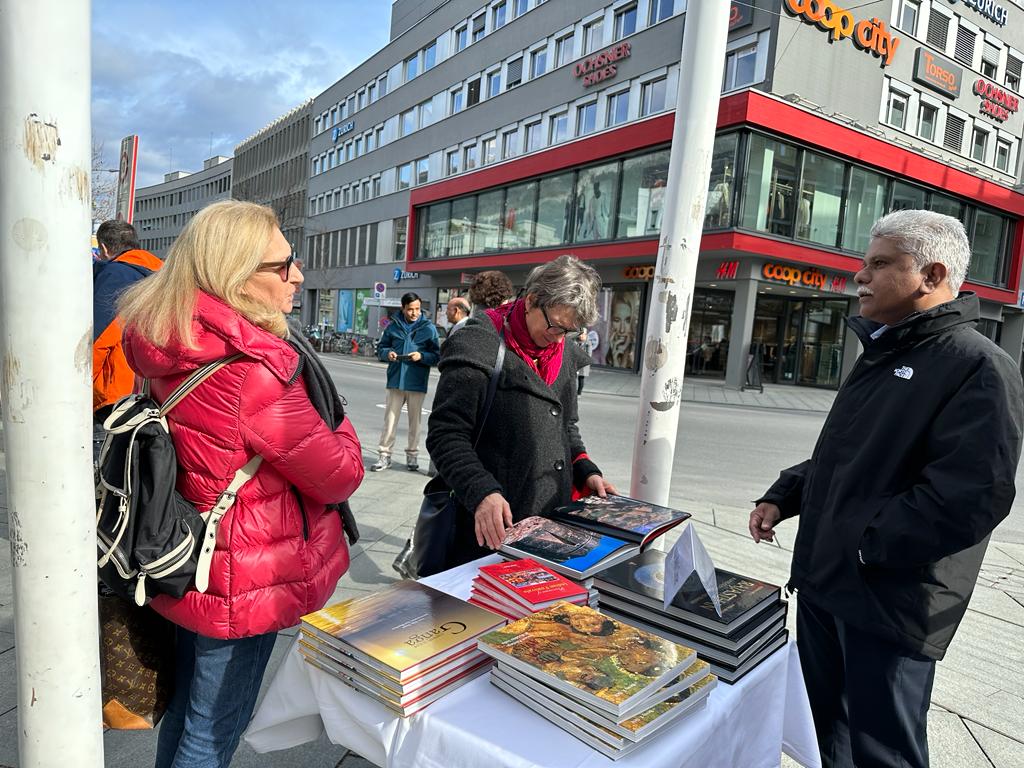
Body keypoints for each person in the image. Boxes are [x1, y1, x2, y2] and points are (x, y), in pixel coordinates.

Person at [748, 210, 1023, 768]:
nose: (860, 277)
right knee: (828, 735)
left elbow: (972, 496)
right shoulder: (886, 351)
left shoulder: (978, 366)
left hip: (890, 599)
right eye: (862, 263)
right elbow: (850, 455)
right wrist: (786, 494)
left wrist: (862, 541)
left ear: (931, 274)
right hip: (829, 582)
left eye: (878, 264)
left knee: (882, 750)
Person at [117, 200, 365, 768]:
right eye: (283, 265)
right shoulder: (251, 371)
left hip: (183, 558)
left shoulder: (170, 340)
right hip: (245, 578)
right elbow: (339, 476)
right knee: (211, 733)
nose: (297, 275)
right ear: (236, 277)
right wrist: (339, 419)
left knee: (183, 716)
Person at [427, 255, 617, 570]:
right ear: (531, 301)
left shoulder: (562, 351)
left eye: (568, 331)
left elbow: (566, 426)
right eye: (555, 325)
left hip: (550, 522)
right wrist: (481, 491)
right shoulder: (478, 344)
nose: (559, 338)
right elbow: (446, 435)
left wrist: (587, 470)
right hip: (490, 524)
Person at [92, 220, 163, 454]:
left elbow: (100, 338)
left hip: (114, 393)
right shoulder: (163, 274)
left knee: (101, 465)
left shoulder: (115, 274)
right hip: (153, 390)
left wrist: (78, 387)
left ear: (103, 248)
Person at [371, 292, 441, 472]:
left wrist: (422, 356)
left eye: (417, 309)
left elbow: (437, 356)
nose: (414, 313)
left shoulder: (428, 328)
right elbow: (381, 348)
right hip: (395, 381)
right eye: (410, 309)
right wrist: (388, 354)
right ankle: (384, 456)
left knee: (415, 422)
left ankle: (412, 456)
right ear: (403, 308)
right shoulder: (393, 326)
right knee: (390, 421)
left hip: (417, 381)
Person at [607, 290, 637, 369]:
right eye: (617, 320)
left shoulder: (637, 356)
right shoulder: (607, 356)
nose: (622, 330)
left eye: (627, 321)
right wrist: (615, 361)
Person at [574, 328, 591, 395]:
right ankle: (574, 393)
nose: (581, 336)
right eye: (580, 334)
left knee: (581, 378)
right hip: (575, 363)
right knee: (573, 379)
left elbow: (588, 354)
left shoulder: (588, 343)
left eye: (583, 334)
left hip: (583, 364)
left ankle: (579, 393)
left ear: (586, 335)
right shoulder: (575, 341)